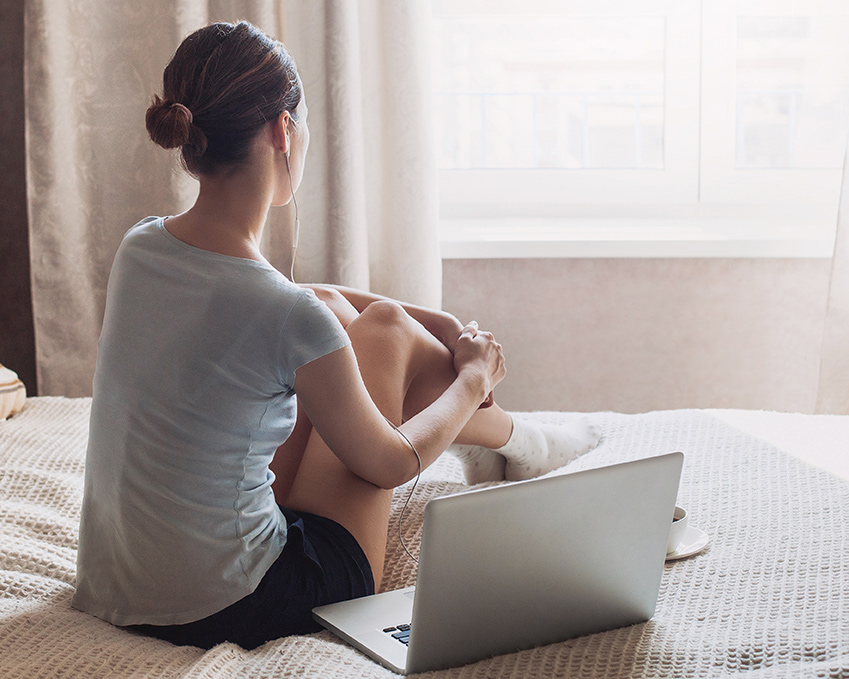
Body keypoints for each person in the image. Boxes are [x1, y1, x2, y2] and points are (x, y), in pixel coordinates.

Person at [71, 21, 601, 651]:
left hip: (119, 587)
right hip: (239, 601)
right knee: (381, 329)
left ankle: (508, 444)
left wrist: (442, 324)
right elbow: (389, 463)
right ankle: (517, 440)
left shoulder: (141, 247)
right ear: (281, 131)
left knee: (340, 309)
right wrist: (473, 378)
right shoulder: (280, 313)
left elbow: (300, 303)